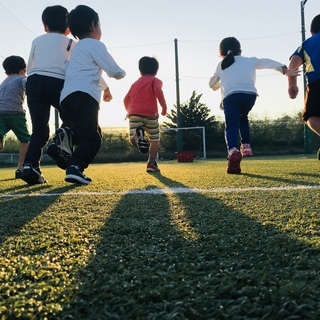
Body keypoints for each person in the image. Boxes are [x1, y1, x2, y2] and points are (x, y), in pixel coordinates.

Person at [57, 5, 125, 185]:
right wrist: (121, 73)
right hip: (85, 96)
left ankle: (62, 140)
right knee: (93, 138)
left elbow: (85, 72)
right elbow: (113, 70)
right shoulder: (95, 45)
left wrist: (106, 88)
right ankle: (75, 168)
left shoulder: (78, 49)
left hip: (66, 97)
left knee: (83, 131)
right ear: (94, 24)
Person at [209, 37, 298, 174]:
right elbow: (267, 62)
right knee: (243, 117)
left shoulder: (221, 64)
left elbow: (211, 83)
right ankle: (246, 146)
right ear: (240, 51)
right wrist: (285, 71)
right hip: (250, 95)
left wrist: (219, 85)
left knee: (231, 125)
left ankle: (233, 151)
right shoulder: (249, 60)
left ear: (221, 53)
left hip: (231, 97)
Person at [20, 5, 76, 185]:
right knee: (72, 118)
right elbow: (77, 68)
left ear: (45, 26)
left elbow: (30, 65)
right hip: (59, 81)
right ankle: (60, 143)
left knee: (39, 129)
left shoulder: (37, 40)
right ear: (69, 27)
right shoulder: (71, 43)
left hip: (34, 81)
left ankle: (30, 166)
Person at [124, 56, 167, 173]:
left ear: (140, 70)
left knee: (132, 139)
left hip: (134, 114)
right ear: (156, 70)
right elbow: (158, 91)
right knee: (154, 139)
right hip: (151, 115)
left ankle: (137, 136)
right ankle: (151, 163)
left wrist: (129, 111)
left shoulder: (135, 84)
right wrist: (164, 107)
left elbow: (126, 99)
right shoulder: (155, 80)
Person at [288, 14, 320, 159]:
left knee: (310, 116)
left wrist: (292, 84)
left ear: (312, 31)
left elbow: (293, 64)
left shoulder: (307, 43)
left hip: (317, 84)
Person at [0, 56, 30, 178]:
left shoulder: (3, 83)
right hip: (16, 113)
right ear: (23, 70)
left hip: (0, 113)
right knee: (25, 140)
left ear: (6, 72)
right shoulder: (23, 79)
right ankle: (21, 167)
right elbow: (30, 90)